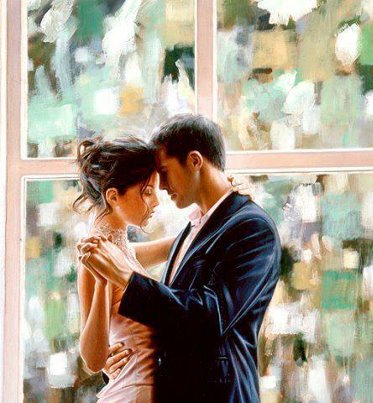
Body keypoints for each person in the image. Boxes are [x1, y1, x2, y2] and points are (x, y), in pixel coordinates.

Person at [78, 114, 281, 403]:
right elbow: (166, 313)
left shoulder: (252, 227)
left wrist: (126, 278)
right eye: (148, 189)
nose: (161, 187)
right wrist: (119, 357)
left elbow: (209, 318)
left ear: (195, 161)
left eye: (163, 172)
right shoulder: (192, 230)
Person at [74, 136, 175, 402]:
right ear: (113, 196)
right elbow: (93, 360)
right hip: (135, 393)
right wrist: (104, 283)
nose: (156, 202)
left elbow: (181, 243)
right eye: (147, 192)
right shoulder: (97, 254)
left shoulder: (121, 249)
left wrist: (225, 201)